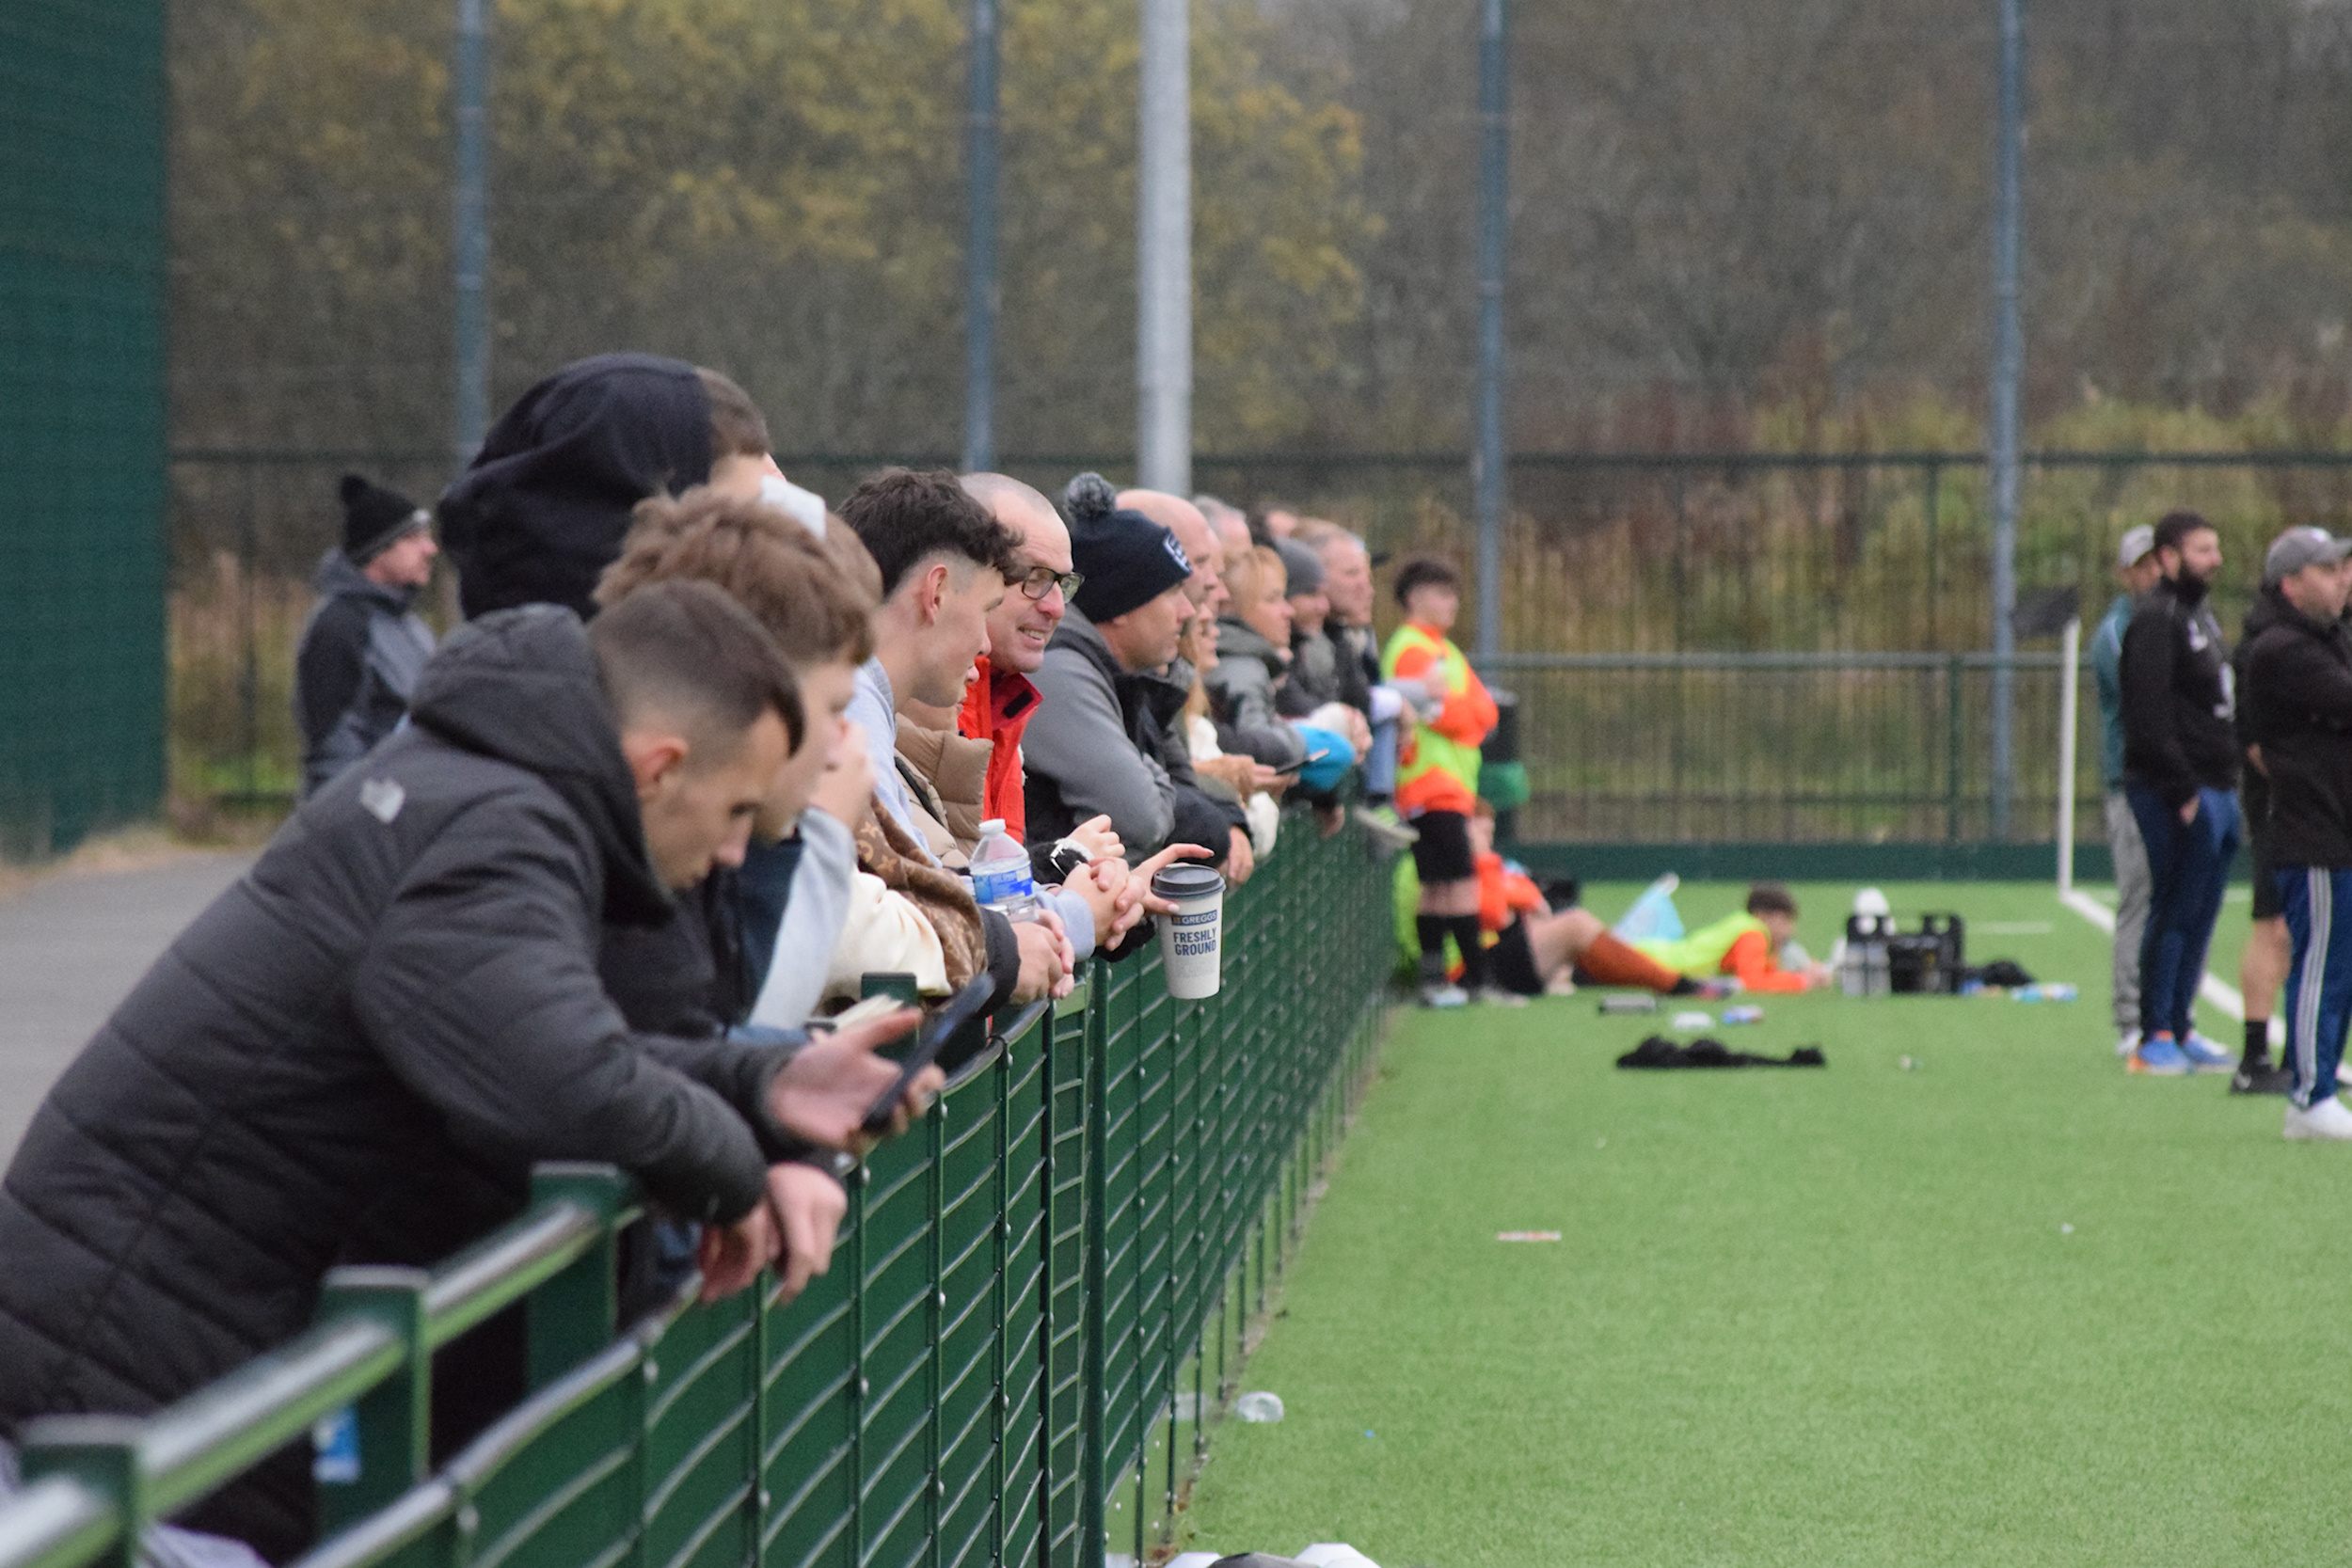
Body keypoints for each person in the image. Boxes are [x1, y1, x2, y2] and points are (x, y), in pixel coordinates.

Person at [0, 583, 935, 1561]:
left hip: (155, 1409)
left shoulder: (486, 789)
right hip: (120, 1436)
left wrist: (759, 1090)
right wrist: (733, 1174)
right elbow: (555, 1075)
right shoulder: (495, 829)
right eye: (737, 808)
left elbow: (538, 1036)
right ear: (659, 768)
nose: (739, 848)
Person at [592, 488, 881, 1032]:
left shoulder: (686, 837)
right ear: (760, 692)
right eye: (836, 709)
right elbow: (725, 1032)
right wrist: (826, 837)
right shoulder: (626, 887)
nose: (846, 746)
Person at [836, 468, 1081, 998]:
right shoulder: (845, 710)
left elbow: (918, 885)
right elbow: (887, 904)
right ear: (938, 592)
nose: (984, 645)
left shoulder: (858, 701)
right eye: (987, 610)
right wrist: (1066, 920)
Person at [1024, 475, 1252, 878]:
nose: (1187, 613)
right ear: (1121, 606)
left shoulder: (1124, 672)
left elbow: (1186, 793)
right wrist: (1153, 775)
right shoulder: (1057, 671)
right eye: (1171, 593)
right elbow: (1143, 818)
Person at [2234, 526, 2352, 1135]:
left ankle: (2322, 1080)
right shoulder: (2282, 648)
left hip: (2339, 829)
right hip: (2314, 831)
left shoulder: (2328, 639)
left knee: (2341, 966)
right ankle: (2309, 1096)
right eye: (2328, 569)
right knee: (2319, 965)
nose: (2343, 578)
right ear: (2292, 582)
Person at [2119, 510, 2241, 1075]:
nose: (2214, 560)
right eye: (2201, 550)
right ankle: (2154, 1033)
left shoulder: (2198, 614)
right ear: (2169, 557)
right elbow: (2145, 713)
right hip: (2175, 789)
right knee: (2172, 905)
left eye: (2215, 549)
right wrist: (2181, 788)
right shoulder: (2155, 619)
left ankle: (2183, 1023)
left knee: (2203, 909)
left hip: (2218, 783)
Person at [1382, 553, 1500, 1006]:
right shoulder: (1415, 647)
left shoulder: (1442, 649)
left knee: (1439, 885)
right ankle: (1476, 979)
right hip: (1430, 784)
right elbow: (1448, 715)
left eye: (1455, 594)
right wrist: (1462, 714)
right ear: (1415, 598)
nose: (1453, 603)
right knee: (1460, 881)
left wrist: (1462, 714)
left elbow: (1483, 712)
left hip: (1445, 786)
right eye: (1442, 593)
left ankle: (1436, 981)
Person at [1464, 804, 1714, 1002]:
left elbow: (1530, 896)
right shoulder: (1469, 867)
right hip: (1469, 970)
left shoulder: (1487, 868)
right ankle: (1675, 984)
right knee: (1576, 925)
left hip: (1494, 957)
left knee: (1577, 931)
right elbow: (1495, 913)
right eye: (1482, 832)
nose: (1488, 840)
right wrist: (1486, 862)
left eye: (1490, 832)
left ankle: (1665, 982)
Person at [293, 474, 439, 797]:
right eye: (413, 538)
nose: (430, 549)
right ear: (378, 550)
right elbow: (334, 751)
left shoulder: (413, 628)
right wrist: (376, 814)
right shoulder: (339, 627)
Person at [2090, 523, 2162, 1060]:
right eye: (2142, 566)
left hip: (2172, 782)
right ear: (2125, 573)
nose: (2153, 574)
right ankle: (2131, 1019)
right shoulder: (2116, 633)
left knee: (2174, 900)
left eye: (2158, 562)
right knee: (2139, 897)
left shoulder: (2179, 623)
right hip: (2134, 784)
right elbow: (2149, 699)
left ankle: (2166, 1015)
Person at [2230, 541, 2297, 1094]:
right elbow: (2255, 743)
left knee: (2299, 931)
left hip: (2316, 806)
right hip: (2284, 805)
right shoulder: (2265, 646)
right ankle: (2254, 1057)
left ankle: (2301, 1052)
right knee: (2271, 925)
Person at [1628, 881, 1832, 992]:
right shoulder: (1753, 934)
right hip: (1650, 961)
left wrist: (1808, 968)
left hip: (1652, 956)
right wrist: (1802, 981)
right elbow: (1753, 981)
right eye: (1784, 921)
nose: (1790, 930)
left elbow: (1763, 968)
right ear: (1762, 917)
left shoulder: (1747, 926)